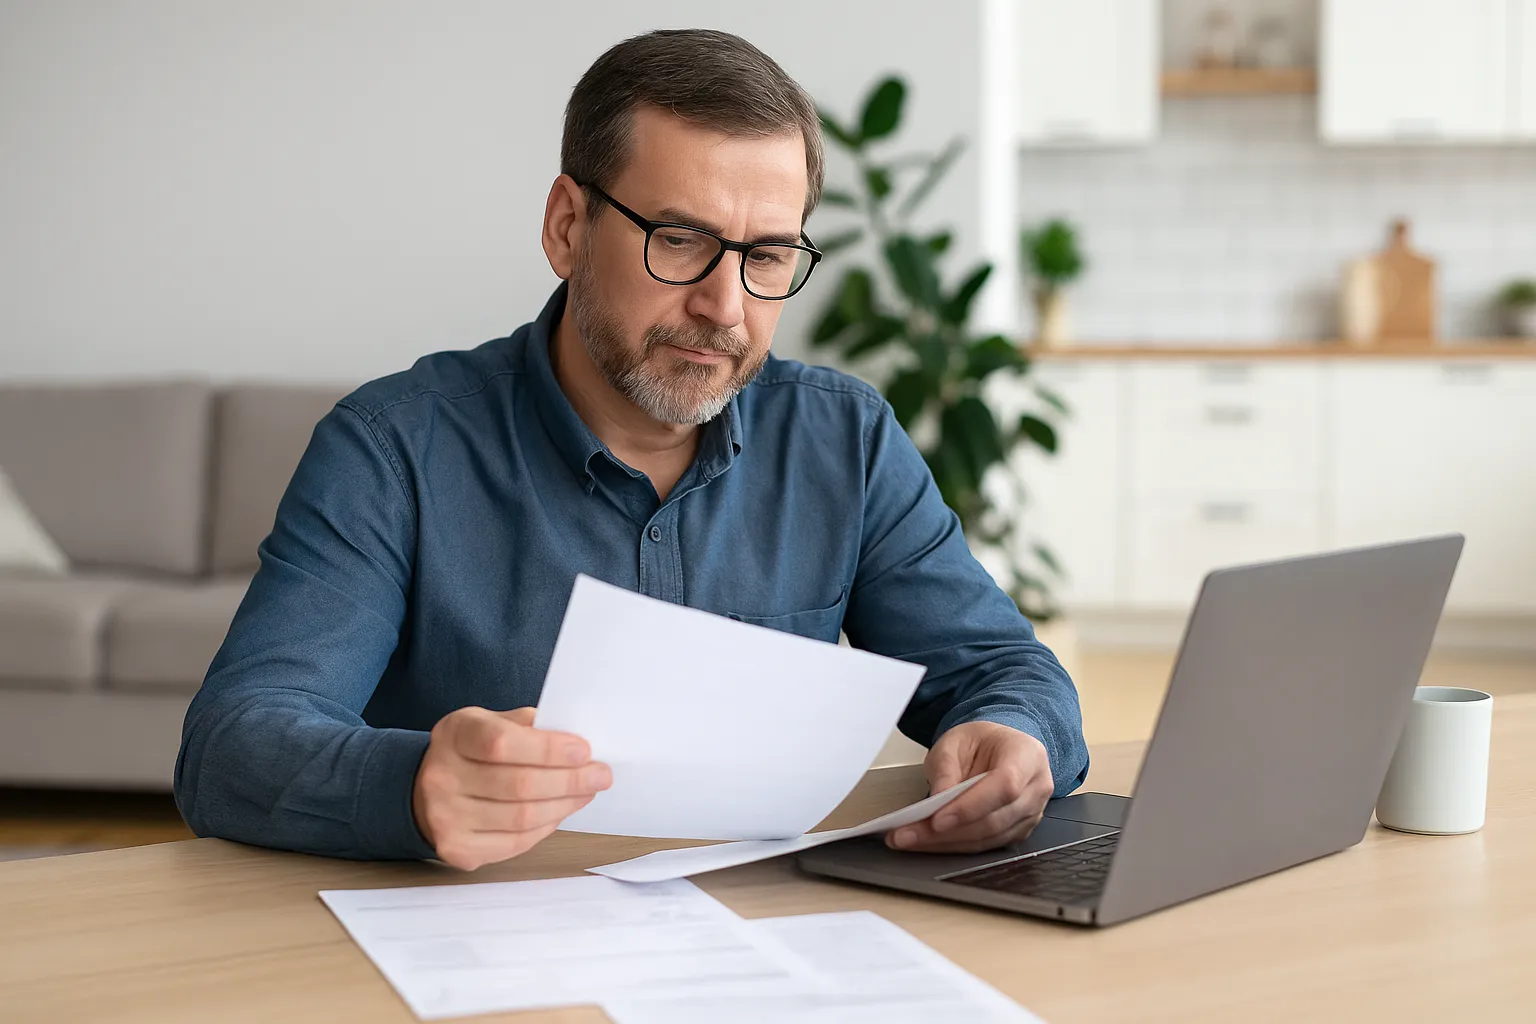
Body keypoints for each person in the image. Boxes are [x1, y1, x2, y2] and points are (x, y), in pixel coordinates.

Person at [174, 28, 1088, 871]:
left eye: (767, 257)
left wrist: (1018, 738)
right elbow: (233, 744)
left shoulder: (844, 441)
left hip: (762, 943)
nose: (725, 308)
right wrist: (412, 787)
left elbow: (1002, 669)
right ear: (567, 227)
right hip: (465, 949)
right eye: (680, 240)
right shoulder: (392, 449)